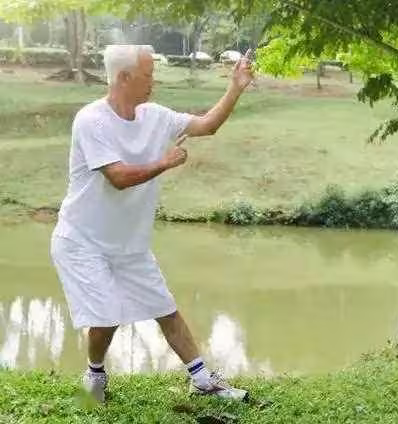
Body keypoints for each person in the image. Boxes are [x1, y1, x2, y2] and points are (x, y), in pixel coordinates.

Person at [49, 44, 254, 403]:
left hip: (130, 245)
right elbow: (118, 177)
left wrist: (235, 87)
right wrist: (165, 162)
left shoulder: (155, 115)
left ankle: (202, 380)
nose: (153, 82)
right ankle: (94, 376)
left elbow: (207, 125)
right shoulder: (92, 120)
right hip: (82, 241)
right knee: (106, 314)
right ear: (124, 77)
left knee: (166, 310)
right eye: (148, 75)